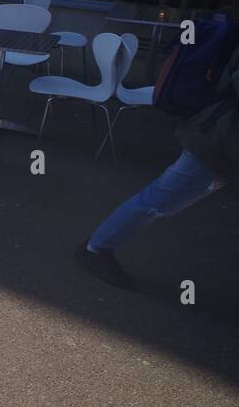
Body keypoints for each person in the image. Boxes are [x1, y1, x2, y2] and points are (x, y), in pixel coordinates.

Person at [78, 38, 237, 288]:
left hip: (220, 139)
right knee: (160, 199)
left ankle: (96, 246)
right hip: (219, 140)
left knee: (167, 199)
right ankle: (95, 248)